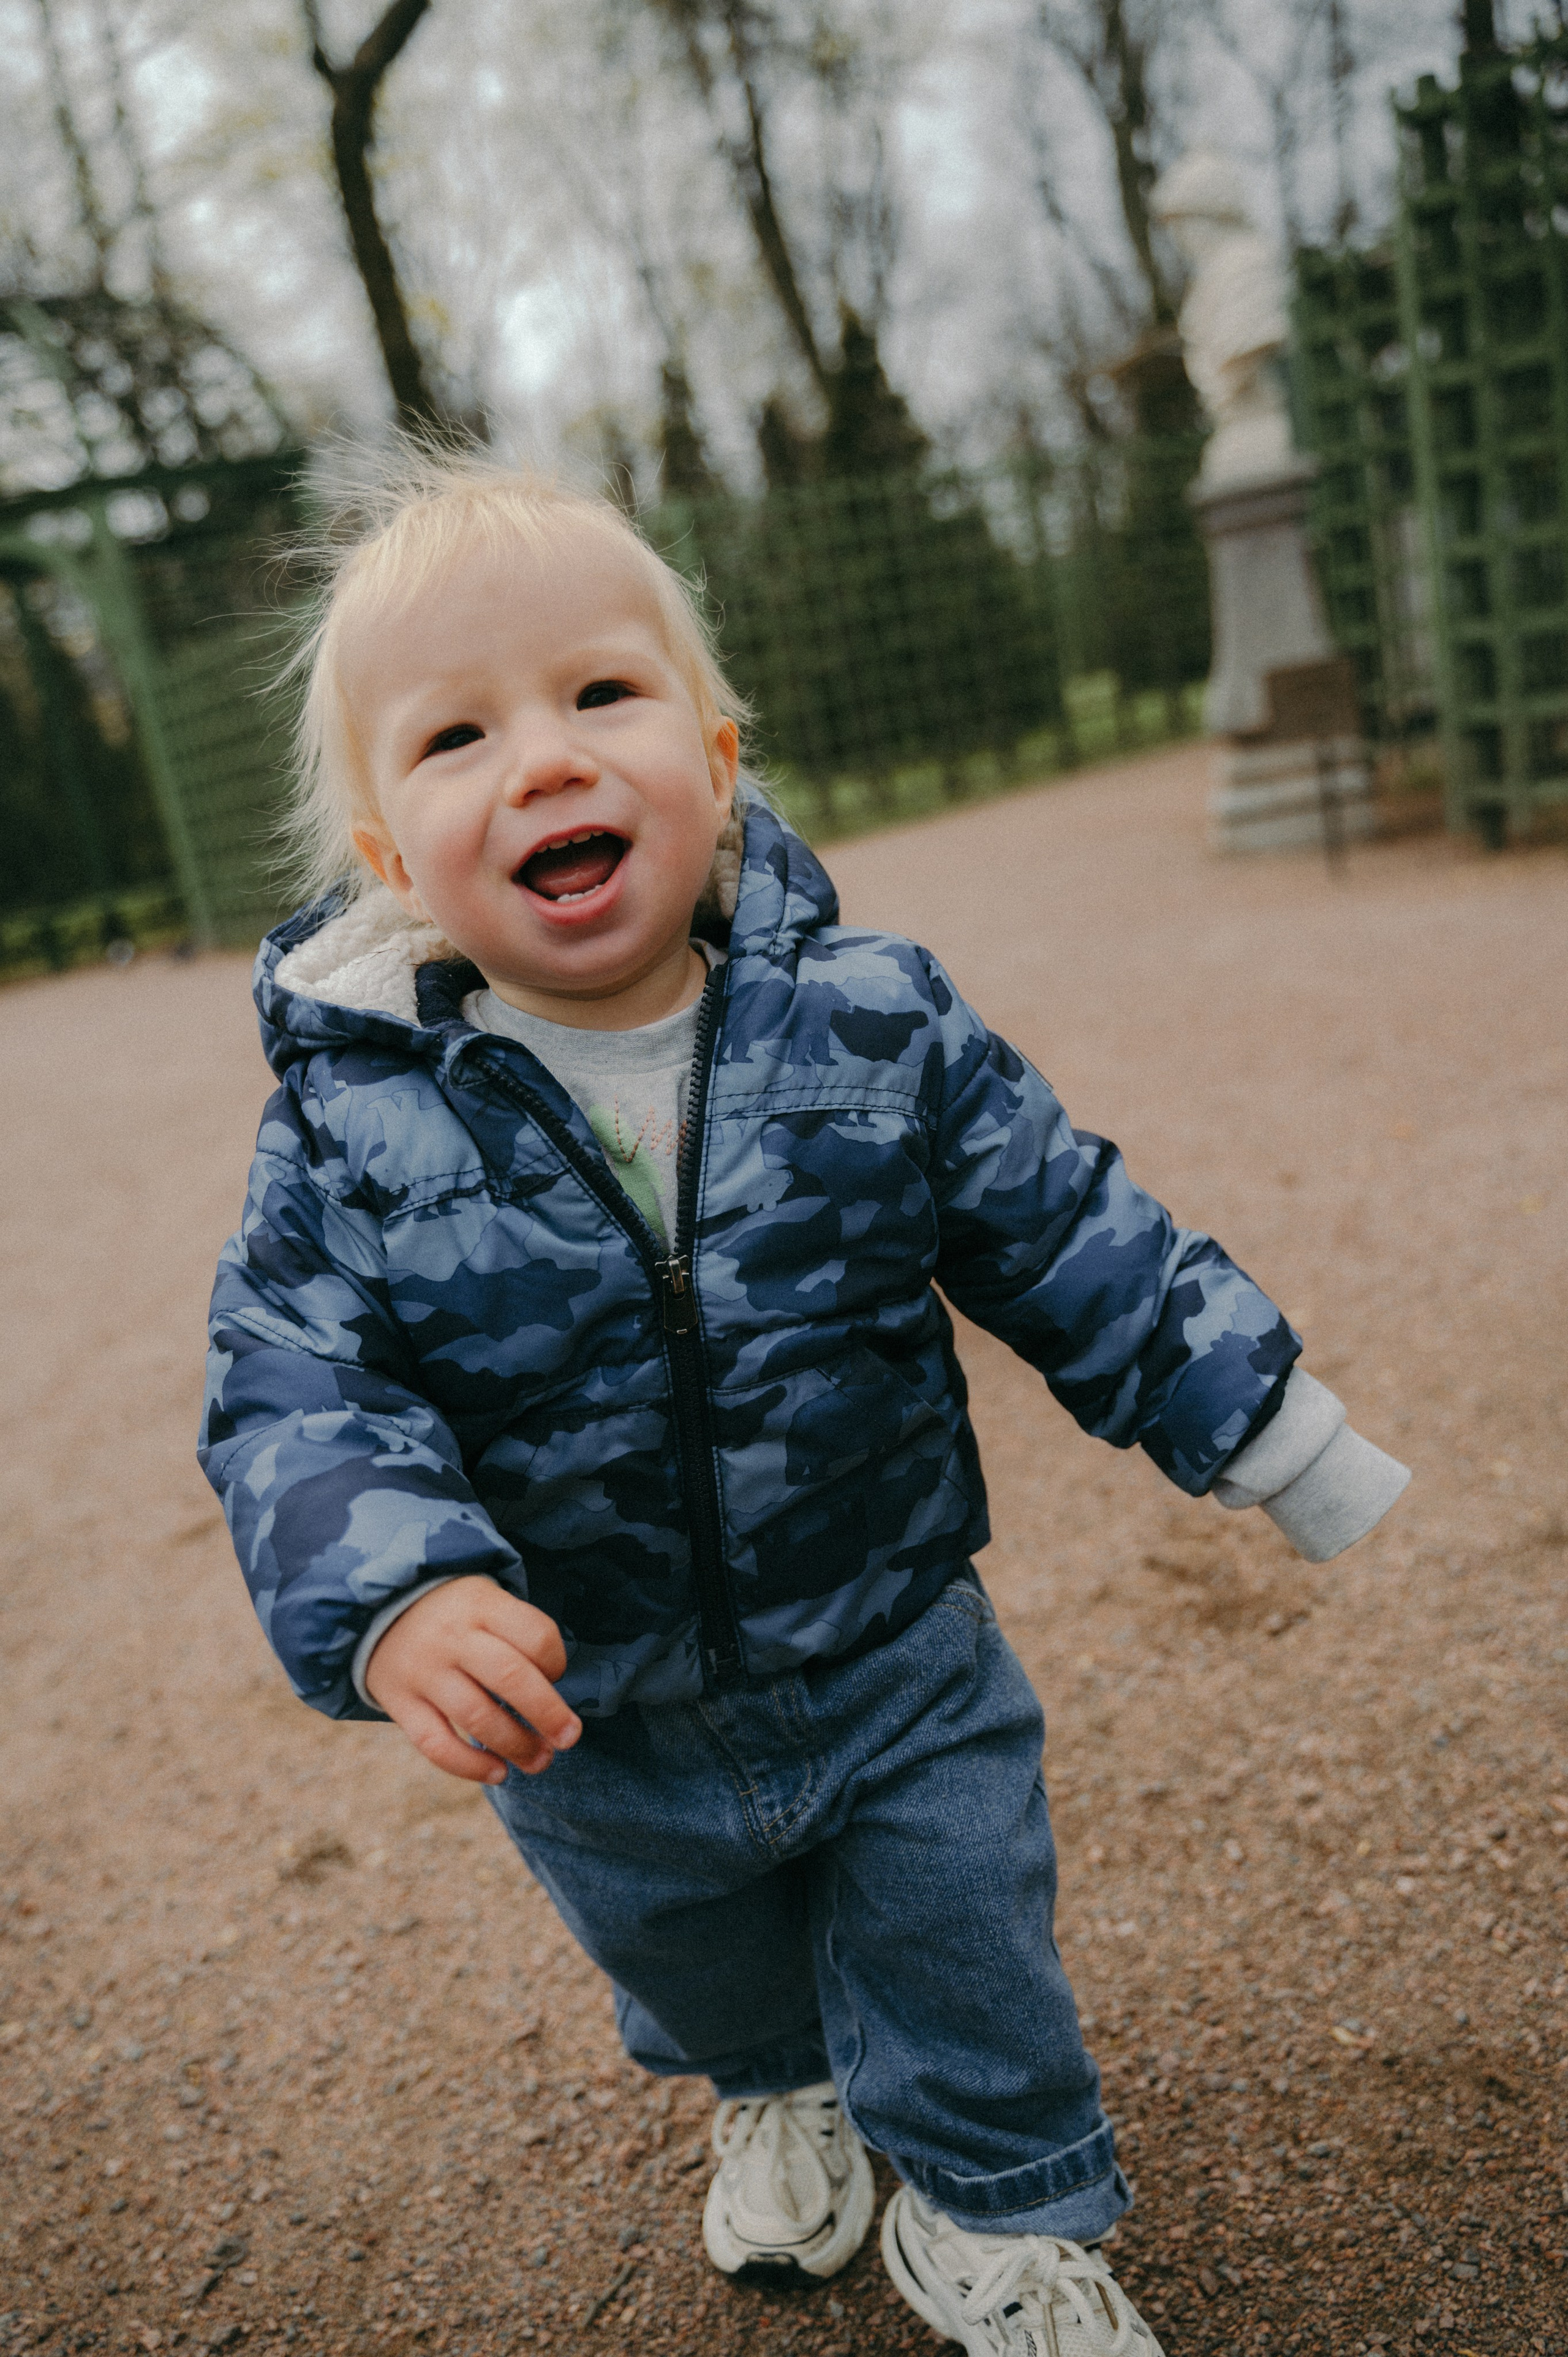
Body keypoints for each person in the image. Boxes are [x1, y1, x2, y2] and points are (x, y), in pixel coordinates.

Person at [201, 450, 1409, 2357]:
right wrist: (401, 1593)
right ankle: (775, 2072)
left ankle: (998, 2205)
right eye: (457, 737)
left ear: (721, 751)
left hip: (891, 1633)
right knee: (686, 1946)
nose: (546, 761)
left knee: (960, 1921)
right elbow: (295, 1384)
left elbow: (1061, 1225)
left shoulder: (870, 1016)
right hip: (595, 1703)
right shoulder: (351, 1132)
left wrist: (1259, 1415)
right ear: (383, 858)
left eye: (603, 694)